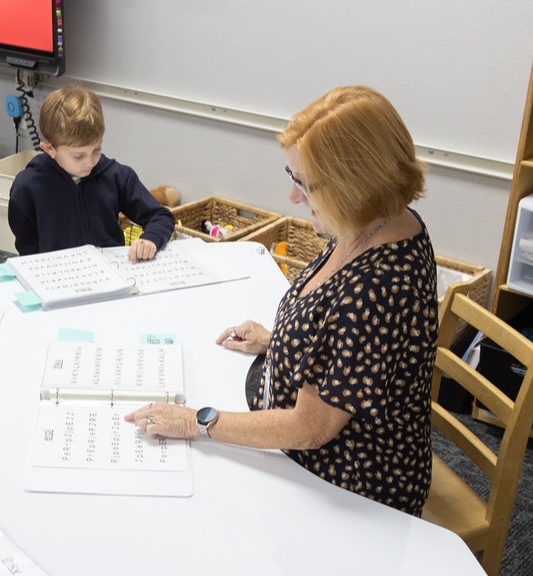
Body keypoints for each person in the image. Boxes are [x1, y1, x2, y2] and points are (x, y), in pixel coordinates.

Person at [126, 85, 438, 517]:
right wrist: (283, 341)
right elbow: (356, 351)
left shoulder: (378, 285)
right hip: (311, 433)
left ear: (355, 185)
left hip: (348, 484)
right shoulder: (370, 221)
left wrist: (197, 421)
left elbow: (310, 428)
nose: (293, 197)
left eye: (305, 185)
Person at [7, 86, 175, 262]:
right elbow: (27, 244)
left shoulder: (116, 175)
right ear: (49, 149)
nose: (90, 162)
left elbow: (160, 216)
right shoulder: (28, 185)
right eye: (78, 156)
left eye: (97, 149)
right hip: (56, 275)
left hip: (111, 271)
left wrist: (150, 239)